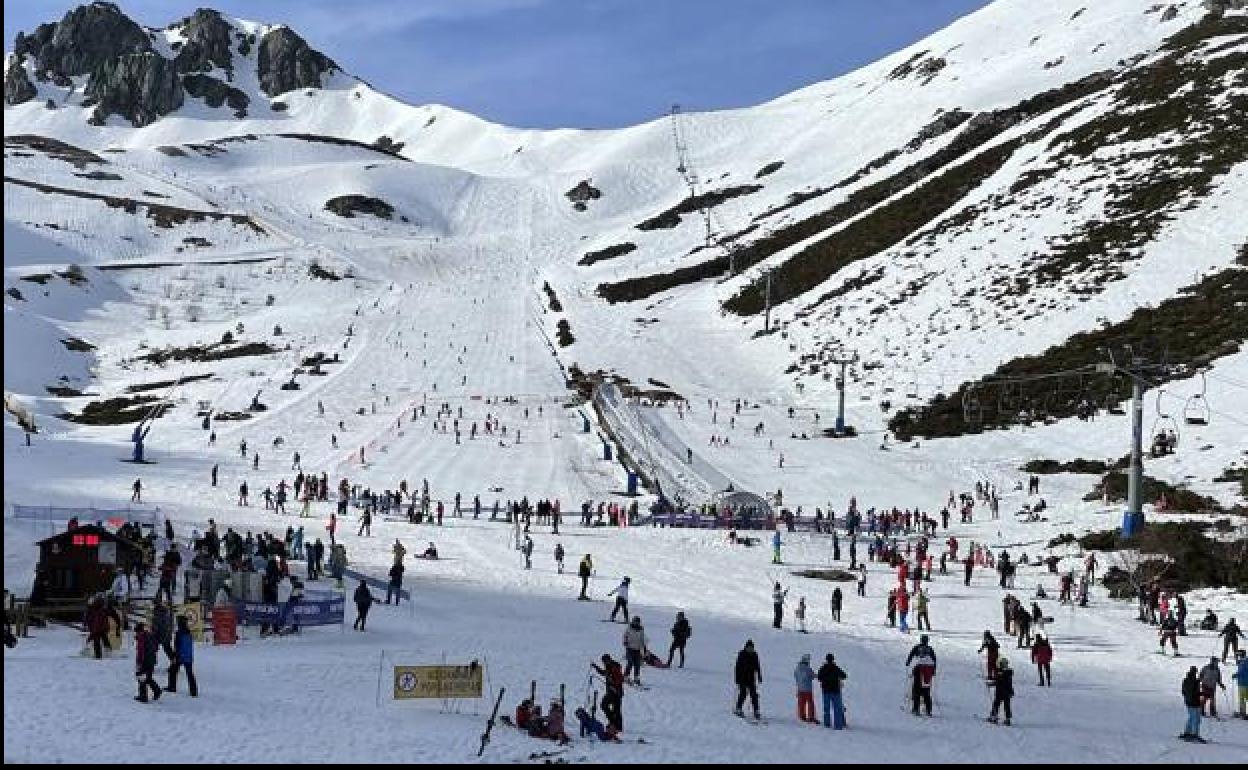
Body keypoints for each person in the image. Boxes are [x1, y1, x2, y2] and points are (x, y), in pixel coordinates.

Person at [592, 654, 625, 732]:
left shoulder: (614, 667)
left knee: (607, 706)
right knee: (614, 709)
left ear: (608, 660)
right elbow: (605, 673)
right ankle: (616, 725)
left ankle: (615, 725)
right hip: (613, 691)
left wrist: (614, 686)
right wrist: (596, 667)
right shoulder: (610, 666)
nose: (604, 663)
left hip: (615, 691)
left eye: (604, 662)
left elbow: (619, 679)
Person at [166, 615, 198, 696]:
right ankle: (193, 691)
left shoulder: (179, 633)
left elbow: (177, 646)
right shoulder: (188, 632)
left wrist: (175, 656)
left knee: (172, 670)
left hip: (180, 656)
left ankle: (172, 687)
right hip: (188, 656)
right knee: (190, 673)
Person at [905, 634, 937, 716]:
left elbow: (911, 655)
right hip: (928, 672)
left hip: (919, 670)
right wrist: (933, 671)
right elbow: (934, 660)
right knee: (926, 691)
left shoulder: (917, 647)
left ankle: (916, 709)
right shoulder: (930, 649)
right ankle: (928, 710)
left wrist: (908, 663)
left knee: (917, 690)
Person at [133, 622, 162, 703]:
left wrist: (139, 662)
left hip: (145, 660)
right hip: (152, 659)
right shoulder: (149, 635)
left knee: (141, 677)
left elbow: (141, 651)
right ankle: (157, 691)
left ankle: (143, 696)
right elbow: (156, 646)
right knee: (148, 677)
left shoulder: (141, 637)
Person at [817, 653, 847, 729]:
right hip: (835, 690)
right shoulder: (835, 667)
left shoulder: (823, 668)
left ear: (826, 660)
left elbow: (819, 677)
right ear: (833, 659)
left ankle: (827, 724)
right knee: (837, 708)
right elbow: (844, 675)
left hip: (826, 691)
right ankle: (838, 725)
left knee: (826, 709)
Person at [734, 639, 763, 719]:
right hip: (742, 677)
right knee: (743, 693)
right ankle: (738, 708)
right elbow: (737, 667)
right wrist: (737, 679)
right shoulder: (742, 654)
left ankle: (756, 711)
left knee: (754, 694)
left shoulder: (755, 655)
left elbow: (757, 666)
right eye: (749, 647)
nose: (750, 649)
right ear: (746, 647)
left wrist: (759, 676)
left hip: (751, 678)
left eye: (751, 648)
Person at [986, 658, 1014, 725]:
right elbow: (1000, 680)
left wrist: (991, 684)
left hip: (1000, 691)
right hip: (1007, 691)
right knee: (1007, 705)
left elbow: (999, 681)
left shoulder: (1001, 673)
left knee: (996, 703)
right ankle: (1007, 719)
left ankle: (994, 716)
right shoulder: (1008, 672)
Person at [1181, 666, 1205, 742]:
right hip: (1194, 703)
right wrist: (1202, 694)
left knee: (1191, 718)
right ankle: (1194, 734)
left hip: (1188, 702)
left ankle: (1187, 732)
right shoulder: (1195, 681)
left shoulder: (1185, 680)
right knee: (1196, 719)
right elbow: (1195, 693)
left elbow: (1183, 692)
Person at [623, 616, 647, 685]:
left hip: (637, 649)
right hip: (630, 648)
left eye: (638, 622)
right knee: (630, 663)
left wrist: (644, 647)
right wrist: (625, 641)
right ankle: (626, 676)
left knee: (637, 664)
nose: (636, 623)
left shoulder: (641, 629)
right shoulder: (629, 628)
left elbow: (642, 638)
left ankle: (636, 678)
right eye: (635, 622)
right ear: (633, 622)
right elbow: (625, 636)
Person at [794, 653, 817, 723]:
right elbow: (812, 676)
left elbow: (796, 677)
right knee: (810, 703)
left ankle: (802, 716)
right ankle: (811, 717)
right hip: (808, 689)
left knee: (801, 703)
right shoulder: (808, 669)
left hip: (800, 688)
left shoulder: (797, 668)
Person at [1232, 649, 1247, 719]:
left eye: (1238, 655)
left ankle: (1243, 713)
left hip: (1243, 683)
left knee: (1242, 698)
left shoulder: (1243, 663)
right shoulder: (1244, 661)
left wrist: (1235, 675)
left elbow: (1242, 672)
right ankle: (1242, 712)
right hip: (1244, 683)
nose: (1237, 657)